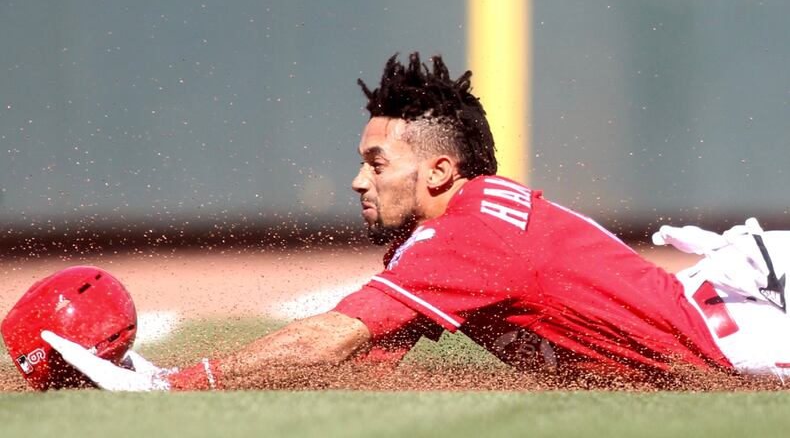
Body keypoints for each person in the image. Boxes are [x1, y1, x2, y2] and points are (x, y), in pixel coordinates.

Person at [39, 52, 790, 391]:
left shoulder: (463, 236)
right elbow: (356, 359)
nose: (358, 179)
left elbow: (324, 340)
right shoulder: (466, 222)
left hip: (753, 342)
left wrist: (174, 383)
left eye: (375, 161)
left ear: (437, 171)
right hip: (734, 307)